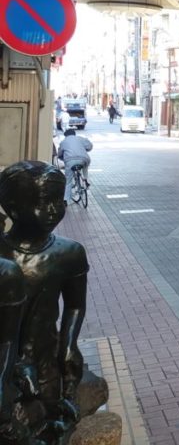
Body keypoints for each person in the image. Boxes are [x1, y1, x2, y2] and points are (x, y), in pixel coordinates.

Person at [0, 162, 89, 438]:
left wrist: (69, 345)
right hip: (4, 363)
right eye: (42, 202)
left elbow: (75, 305)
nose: (53, 210)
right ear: (13, 208)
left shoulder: (69, 253)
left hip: (46, 357)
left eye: (58, 201)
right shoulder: (2, 260)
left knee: (50, 420)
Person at [57, 129, 92, 204]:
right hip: (84, 158)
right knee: (85, 166)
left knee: (68, 180)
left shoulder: (63, 142)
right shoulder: (81, 138)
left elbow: (59, 154)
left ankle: (65, 200)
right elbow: (90, 146)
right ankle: (85, 179)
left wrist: (61, 158)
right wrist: (85, 149)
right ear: (74, 134)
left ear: (65, 135)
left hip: (70, 161)